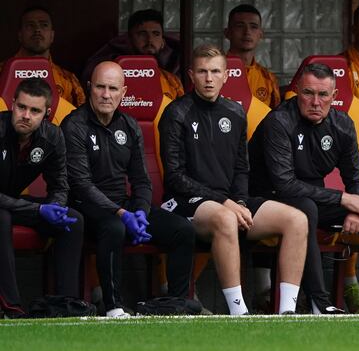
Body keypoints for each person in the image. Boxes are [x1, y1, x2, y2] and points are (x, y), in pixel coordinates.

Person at [249, 63, 359, 315]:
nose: (315, 102)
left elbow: (357, 178)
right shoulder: (279, 122)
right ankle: (319, 301)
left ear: (334, 97)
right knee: (305, 210)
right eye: (308, 93)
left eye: (323, 95)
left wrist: (357, 207)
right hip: (269, 200)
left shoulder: (342, 124)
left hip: (312, 199)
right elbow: (285, 184)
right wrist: (343, 199)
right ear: (296, 92)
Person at [159, 44, 307, 316]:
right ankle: (239, 312)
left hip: (229, 201)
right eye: (202, 71)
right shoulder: (176, 114)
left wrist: (239, 200)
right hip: (182, 203)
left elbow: (242, 168)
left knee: (297, 219)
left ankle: (287, 312)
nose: (209, 78)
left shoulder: (236, 113)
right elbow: (175, 177)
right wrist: (227, 203)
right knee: (226, 218)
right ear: (191, 75)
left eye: (215, 71)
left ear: (226, 76)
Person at [61, 61, 195, 317]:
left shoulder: (130, 125)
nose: (106, 94)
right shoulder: (74, 125)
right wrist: (123, 214)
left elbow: (141, 180)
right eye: (100, 87)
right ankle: (113, 306)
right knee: (114, 227)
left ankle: (175, 305)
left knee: (183, 229)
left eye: (113, 88)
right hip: (85, 207)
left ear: (124, 92)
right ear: (90, 88)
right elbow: (82, 185)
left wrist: (141, 213)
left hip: (125, 206)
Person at [0, 78, 83, 318]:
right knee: (1, 217)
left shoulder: (52, 137)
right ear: (12, 104)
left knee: (73, 219)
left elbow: (60, 185)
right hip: (4, 209)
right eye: (21, 107)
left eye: (34, 110)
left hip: (15, 203)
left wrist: (55, 207)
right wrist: (38, 211)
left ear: (46, 114)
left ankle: (64, 305)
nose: (26, 115)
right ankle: (11, 307)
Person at [82, 9, 184, 100]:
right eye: (142, 33)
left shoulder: (172, 78)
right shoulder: (109, 70)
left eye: (156, 34)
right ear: (129, 39)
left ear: (163, 41)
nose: (149, 39)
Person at [1, 6, 85, 107]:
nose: (37, 30)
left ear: (52, 36)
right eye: (30, 25)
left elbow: (81, 119)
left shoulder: (68, 80)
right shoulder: (2, 72)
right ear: (20, 35)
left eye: (44, 25)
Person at [225, 4, 281, 108]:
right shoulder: (213, 72)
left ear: (261, 34)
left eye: (253, 27)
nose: (247, 32)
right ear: (227, 33)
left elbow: (276, 118)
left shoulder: (268, 78)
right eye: (240, 26)